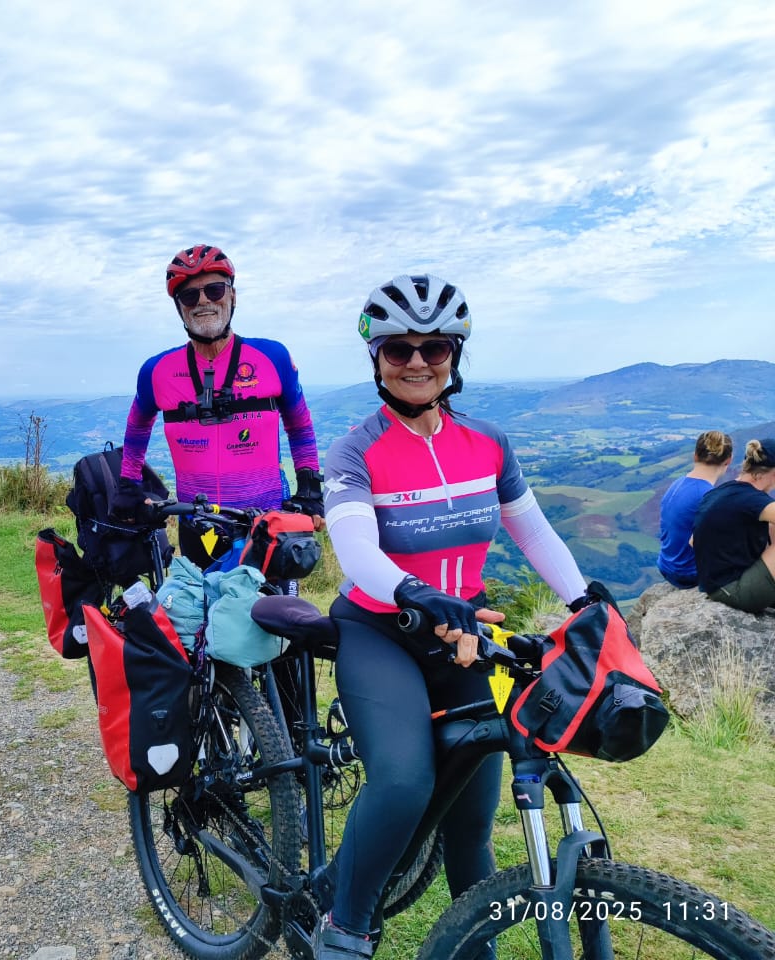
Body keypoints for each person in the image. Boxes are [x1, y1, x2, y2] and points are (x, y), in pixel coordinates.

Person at [318, 274, 593, 959]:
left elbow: (532, 532)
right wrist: (414, 591)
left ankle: (478, 951)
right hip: (378, 631)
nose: (416, 362)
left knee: (472, 820)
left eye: (434, 348)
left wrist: (585, 601)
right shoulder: (356, 450)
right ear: (376, 358)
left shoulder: (488, 442)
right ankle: (345, 927)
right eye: (398, 349)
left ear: (455, 357)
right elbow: (355, 550)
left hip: (463, 636)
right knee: (406, 780)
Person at [110, 244, 323, 566]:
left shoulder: (272, 358)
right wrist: (129, 483)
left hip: (268, 525)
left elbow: (299, 424)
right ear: (179, 307)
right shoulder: (157, 370)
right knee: (200, 613)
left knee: (274, 614)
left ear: (233, 296)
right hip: (196, 524)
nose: (204, 302)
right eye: (190, 296)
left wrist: (309, 486)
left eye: (214, 289)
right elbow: (138, 425)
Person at [692, 437, 775, 614]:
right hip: (734, 591)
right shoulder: (752, 500)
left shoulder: (722, 492)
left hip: (718, 585)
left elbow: (693, 541)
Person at [657, 430, 734, 588]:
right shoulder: (709, 496)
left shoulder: (677, 483)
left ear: (695, 456)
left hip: (666, 565)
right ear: (728, 460)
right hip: (688, 574)